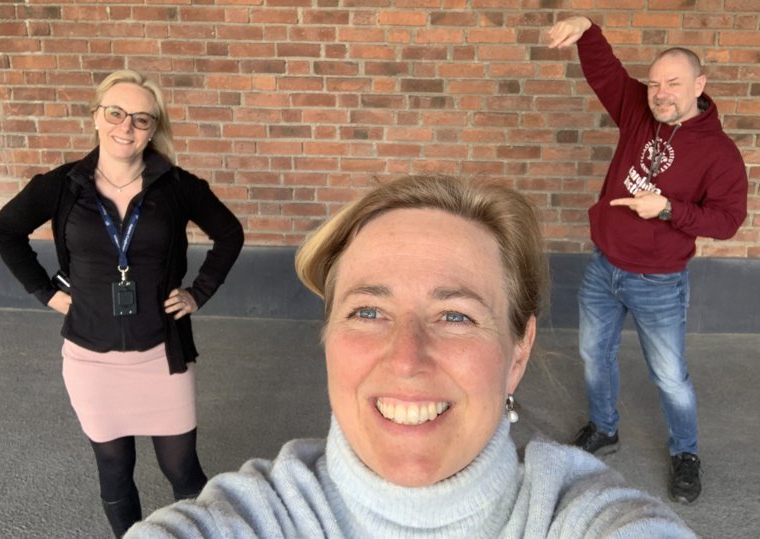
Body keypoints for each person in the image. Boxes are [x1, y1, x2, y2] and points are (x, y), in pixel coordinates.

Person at [125, 174, 695, 538]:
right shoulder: (251, 517)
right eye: (368, 311)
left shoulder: (585, 518)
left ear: (518, 349)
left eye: (456, 316)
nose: (406, 359)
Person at [0, 69, 244, 537]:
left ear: (154, 128)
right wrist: (46, 293)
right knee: (113, 468)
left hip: (160, 355)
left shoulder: (177, 186)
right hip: (90, 357)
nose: (126, 127)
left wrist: (199, 292)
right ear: (96, 116)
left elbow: (230, 233)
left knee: (183, 471)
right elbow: (5, 229)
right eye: (116, 112)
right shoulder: (63, 185)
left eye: (142, 119)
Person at [547, 16, 748, 504]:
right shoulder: (638, 111)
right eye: (655, 82)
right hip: (603, 267)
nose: (660, 92)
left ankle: (686, 454)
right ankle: (604, 427)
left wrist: (668, 209)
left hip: (657, 281)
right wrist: (588, 29)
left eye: (673, 83)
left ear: (699, 85)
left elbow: (727, 220)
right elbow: (606, 72)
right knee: (595, 355)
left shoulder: (720, 154)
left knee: (670, 377)